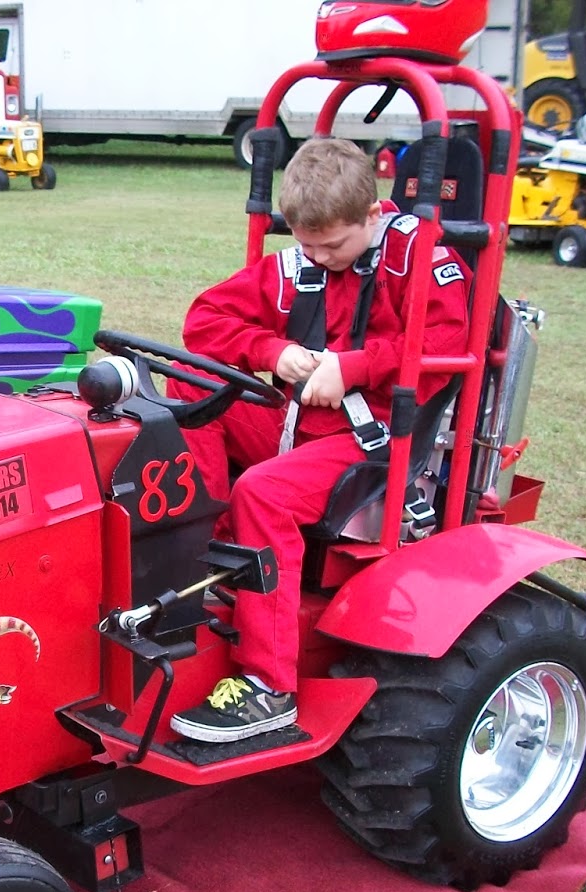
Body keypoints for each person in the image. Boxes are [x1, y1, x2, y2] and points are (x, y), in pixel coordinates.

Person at [168, 137, 470, 744]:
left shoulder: (418, 255)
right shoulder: (296, 264)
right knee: (187, 385)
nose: (320, 257)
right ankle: (209, 556)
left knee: (266, 493)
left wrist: (353, 367)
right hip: (297, 422)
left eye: (334, 245)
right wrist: (272, 351)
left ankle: (267, 688)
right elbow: (205, 321)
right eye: (307, 243)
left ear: (374, 214)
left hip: (377, 437)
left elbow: (444, 345)